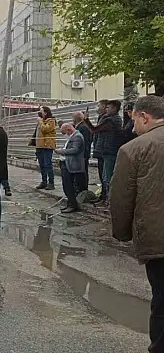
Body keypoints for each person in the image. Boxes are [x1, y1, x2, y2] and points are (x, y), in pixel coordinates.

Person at [109, 95, 164, 352]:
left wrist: (121, 233)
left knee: (162, 302)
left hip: (158, 240)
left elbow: (121, 197)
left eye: (134, 121)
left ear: (144, 116)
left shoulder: (133, 149)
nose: (132, 128)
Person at [85, 99, 123, 205]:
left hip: (109, 150)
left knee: (107, 177)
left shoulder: (111, 120)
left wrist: (86, 120)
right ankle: (105, 199)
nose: (106, 109)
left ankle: (108, 200)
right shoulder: (111, 118)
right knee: (105, 176)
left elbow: (94, 129)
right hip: (107, 150)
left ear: (114, 108)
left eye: (108, 107)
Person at [55, 123, 86, 213]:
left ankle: (72, 205)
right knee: (66, 185)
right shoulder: (73, 136)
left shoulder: (77, 137)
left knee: (69, 186)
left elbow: (75, 150)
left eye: (65, 133)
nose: (66, 135)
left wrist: (61, 151)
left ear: (68, 129)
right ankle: (70, 203)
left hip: (71, 164)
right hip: (66, 163)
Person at [30, 106, 57, 190]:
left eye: (41, 111)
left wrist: (41, 121)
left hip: (47, 146)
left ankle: (51, 183)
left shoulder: (51, 121)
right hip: (39, 146)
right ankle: (44, 181)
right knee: (42, 165)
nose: (39, 113)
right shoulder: (41, 121)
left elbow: (45, 129)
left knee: (47, 165)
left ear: (45, 112)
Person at [72, 111, 92, 189]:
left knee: (82, 173)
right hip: (80, 154)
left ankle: (82, 190)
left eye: (73, 118)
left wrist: (83, 154)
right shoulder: (79, 126)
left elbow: (85, 142)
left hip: (82, 154)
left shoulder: (83, 127)